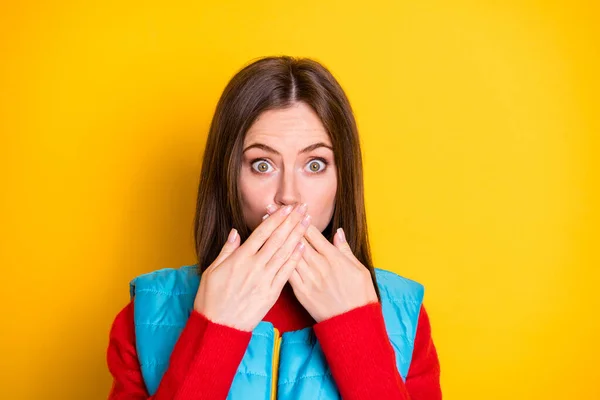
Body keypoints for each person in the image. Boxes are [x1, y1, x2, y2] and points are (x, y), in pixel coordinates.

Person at [106, 56, 441, 400]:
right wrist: (213, 332)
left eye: (314, 164)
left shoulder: (405, 317)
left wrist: (356, 332)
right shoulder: (144, 314)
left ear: (343, 179)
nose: (288, 197)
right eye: (262, 164)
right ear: (229, 176)